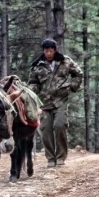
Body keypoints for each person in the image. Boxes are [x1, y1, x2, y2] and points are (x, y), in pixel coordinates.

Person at [28, 38, 83, 167]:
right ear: (43, 51)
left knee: (60, 125)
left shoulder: (65, 61)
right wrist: (32, 91)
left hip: (61, 100)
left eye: (51, 51)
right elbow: (33, 83)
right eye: (46, 51)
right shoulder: (37, 66)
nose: (49, 53)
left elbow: (78, 74)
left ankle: (60, 157)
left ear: (55, 50)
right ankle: (50, 158)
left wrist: (71, 86)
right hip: (45, 102)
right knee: (46, 129)